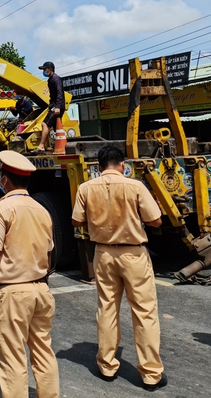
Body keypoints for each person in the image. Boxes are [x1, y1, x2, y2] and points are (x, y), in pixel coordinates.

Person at [71, 145, 167, 392]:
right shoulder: (135, 186)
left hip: (103, 253)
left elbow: (76, 220)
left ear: (99, 167)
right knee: (144, 312)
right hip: (133, 253)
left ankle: (107, 365)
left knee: (107, 308)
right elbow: (155, 220)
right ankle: (150, 374)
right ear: (122, 165)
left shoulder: (85, 188)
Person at [0, 150, 59, 398]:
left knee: (12, 358)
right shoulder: (42, 210)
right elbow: (49, 253)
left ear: (5, 180)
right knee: (43, 351)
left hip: (12, 292)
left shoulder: (1, 210)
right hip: (41, 289)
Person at [35, 61, 65, 153]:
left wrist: (57, 107)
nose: (43, 71)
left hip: (57, 106)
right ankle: (62, 146)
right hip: (54, 105)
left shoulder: (56, 79)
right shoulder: (50, 80)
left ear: (50, 69)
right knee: (57, 128)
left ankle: (41, 146)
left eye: (45, 69)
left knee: (45, 124)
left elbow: (60, 93)